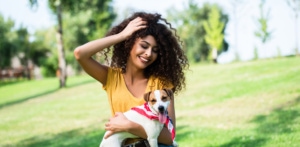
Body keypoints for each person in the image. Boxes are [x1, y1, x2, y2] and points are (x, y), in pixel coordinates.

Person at [74, 11, 188, 146]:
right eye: (144, 46)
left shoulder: (160, 83)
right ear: (129, 43)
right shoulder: (111, 77)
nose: (149, 53)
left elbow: (169, 137)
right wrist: (122, 35)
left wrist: (129, 126)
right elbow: (80, 54)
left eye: (155, 50)